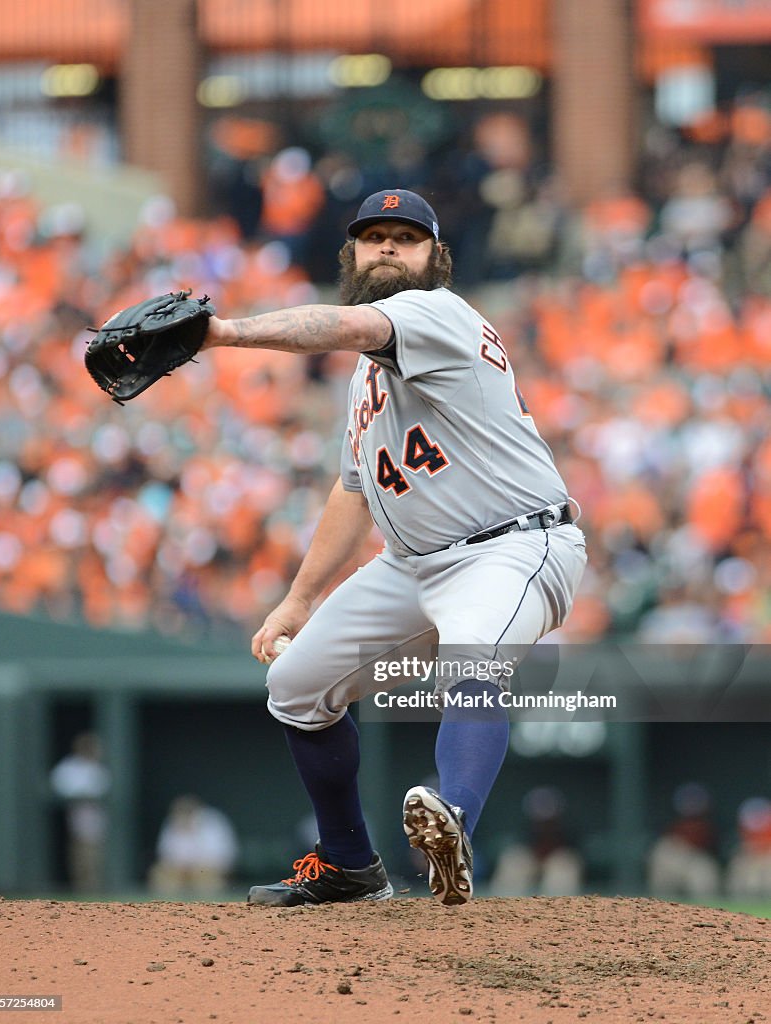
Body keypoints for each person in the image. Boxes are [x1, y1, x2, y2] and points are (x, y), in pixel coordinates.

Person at [202, 188, 588, 906]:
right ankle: (349, 865)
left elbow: (335, 323)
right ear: (350, 253)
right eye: (372, 237)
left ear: (435, 258)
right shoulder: (365, 377)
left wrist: (224, 333)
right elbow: (355, 491)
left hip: (511, 546)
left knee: (471, 660)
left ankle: (455, 828)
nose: (386, 248)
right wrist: (298, 599)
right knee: (295, 690)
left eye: (404, 238)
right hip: (412, 563)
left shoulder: (433, 313)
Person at [49, 732, 111, 892]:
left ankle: (94, 887)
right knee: (80, 852)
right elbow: (58, 784)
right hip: (77, 814)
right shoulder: (69, 766)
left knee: (95, 854)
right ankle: (81, 887)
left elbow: (104, 788)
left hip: (96, 815)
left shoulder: (99, 768)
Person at [148, 795, 239, 895]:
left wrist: (195, 866)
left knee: (205, 878)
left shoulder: (213, 821)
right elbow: (165, 854)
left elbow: (222, 856)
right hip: (180, 870)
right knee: (161, 875)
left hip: (209, 869)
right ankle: (169, 909)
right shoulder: (172, 822)